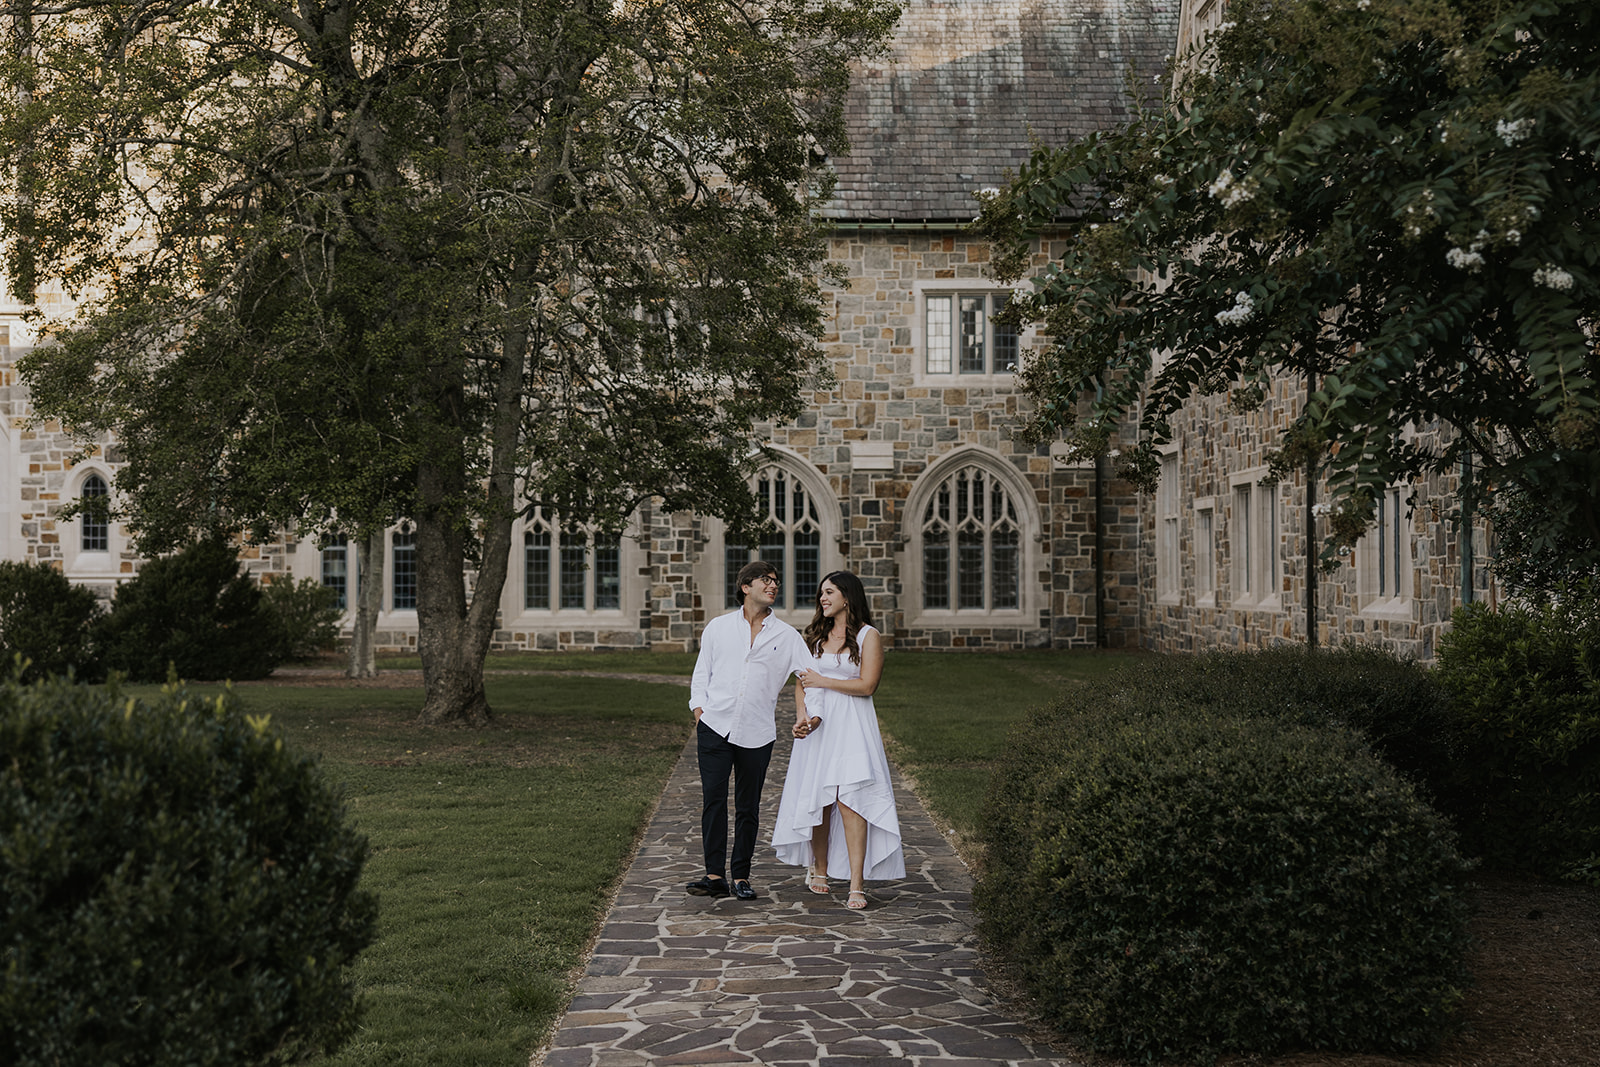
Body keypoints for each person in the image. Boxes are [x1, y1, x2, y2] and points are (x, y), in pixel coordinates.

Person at [772, 570, 904, 909]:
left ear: (848, 596)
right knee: (821, 799)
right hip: (818, 726)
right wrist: (802, 716)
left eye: (829, 592)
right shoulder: (815, 636)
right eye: (821, 593)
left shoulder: (867, 636)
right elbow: (802, 682)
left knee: (851, 800)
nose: (822, 598)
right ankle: (820, 868)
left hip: (852, 726)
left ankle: (857, 884)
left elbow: (867, 686)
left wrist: (824, 680)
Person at [687, 559, 811, 901]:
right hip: (714, 725)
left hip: (757, 733)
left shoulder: (787, 636)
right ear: (745, 587)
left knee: (748, 806)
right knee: (713, 800)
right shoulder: (718, 627)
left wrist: (807, 715)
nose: (773, 585)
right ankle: (714, 876)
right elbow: (702, 673)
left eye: (775, 581)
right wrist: (699, 710)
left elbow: (808, 678)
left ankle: (741, 875)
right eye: (765, 580)